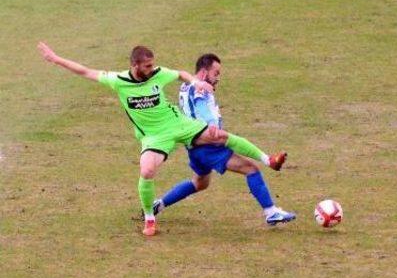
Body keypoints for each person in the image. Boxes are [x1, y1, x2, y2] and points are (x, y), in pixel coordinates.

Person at [37, 42, 287, 236]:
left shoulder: (157, 74)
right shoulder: (119, 81)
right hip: (155, 136)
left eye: (152, 65)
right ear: (134, 65)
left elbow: (179, 73)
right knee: (146, 171)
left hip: (179, 125)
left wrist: (196, 82)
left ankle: (268, 159)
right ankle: (149, 217)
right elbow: (86, 71)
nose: (152, 69)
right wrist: (56, 59)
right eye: (147, 67)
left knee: (220, 137)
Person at [152, 53, 295, 225]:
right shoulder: (201, 88)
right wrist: (212, 123)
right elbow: (201, 105)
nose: (218, 78)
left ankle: (159, 204)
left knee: (199, 182)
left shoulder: (185, 86)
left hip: (193, 147)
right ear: (204, 73)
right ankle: (271, 210)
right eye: (216, 73)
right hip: (208, 145)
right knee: (251, 169)